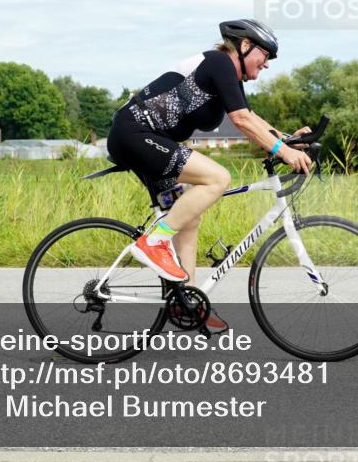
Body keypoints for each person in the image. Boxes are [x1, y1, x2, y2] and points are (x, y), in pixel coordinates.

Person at [106, 19, 313, 328]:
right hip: (134, 133)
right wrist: (283, 152)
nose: (267, 64)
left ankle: (184, 303)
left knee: (188, 218)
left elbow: (251, 118)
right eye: (265, 55)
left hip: (147, 140)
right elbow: (241, 120)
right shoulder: (218, 62)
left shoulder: (228, 75)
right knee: (218, 177)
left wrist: (287, 140)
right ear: (244, 46)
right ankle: (154, 243)